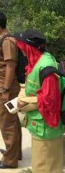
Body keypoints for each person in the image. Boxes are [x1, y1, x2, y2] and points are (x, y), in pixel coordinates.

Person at [15, 29, 64, 173]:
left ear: (29, 47)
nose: (21, 50)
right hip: (40, 126)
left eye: (22, 47)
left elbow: (50, 100)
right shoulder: (37, 60)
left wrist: (25, 103)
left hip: (47, 129)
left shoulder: (46, 68)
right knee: (42, 166)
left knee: (45, 168)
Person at [0, 11, 22, 169]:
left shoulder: (7, 41)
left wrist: (6, 89)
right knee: (12, 121)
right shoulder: (1, 39)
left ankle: (9, 160)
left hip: (5, 90)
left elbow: (11, 65)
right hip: (2, 88)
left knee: (7, 123)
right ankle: (15, 152)